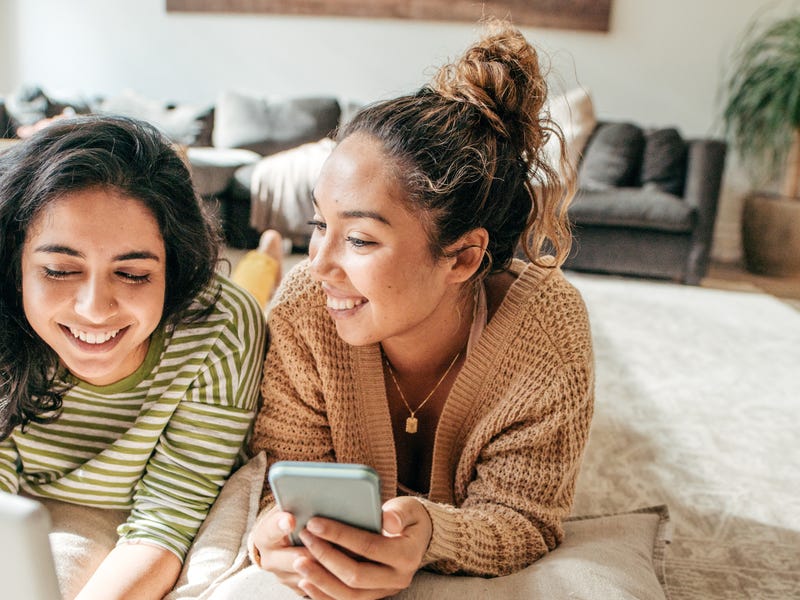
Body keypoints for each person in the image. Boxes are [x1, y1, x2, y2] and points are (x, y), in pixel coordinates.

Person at [245, 18, 595, 600]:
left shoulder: (548, 331)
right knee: (251, 288)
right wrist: (273, 526)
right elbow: (280, 473)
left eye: (359, 239)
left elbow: (526, 516)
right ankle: (265, 252)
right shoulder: (305, 308)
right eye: (318, 224)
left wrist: (433, 533)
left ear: (462, 257)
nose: (322, 263)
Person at [0, 115, 267, 600]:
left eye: (134, 274)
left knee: (260, 281)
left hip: (141, 511)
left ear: (175, 266)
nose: (94, 309)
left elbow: (166, 518)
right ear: (15, 266)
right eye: (60, 270)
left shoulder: (222, 326)